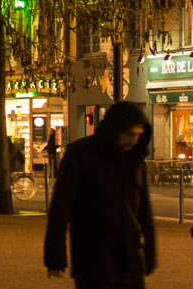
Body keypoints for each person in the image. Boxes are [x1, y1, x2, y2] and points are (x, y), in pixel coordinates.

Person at [44, 101, 157, 288]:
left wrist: (149, 256)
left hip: (130, 260)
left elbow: (145, 211)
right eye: (130, 134)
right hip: (93, 259)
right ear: (115, 130)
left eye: (138, 135)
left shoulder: (136, 160)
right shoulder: (80, 154)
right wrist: (55, 259)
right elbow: (60, 208)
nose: (134, 140)